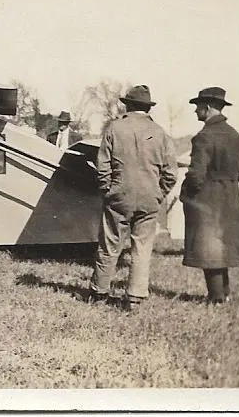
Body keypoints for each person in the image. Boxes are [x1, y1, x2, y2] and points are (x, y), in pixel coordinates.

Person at [88, 85, 177, 311]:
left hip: (119, 195)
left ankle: (99, 292)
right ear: (147, 108)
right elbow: (170, 174)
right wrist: (159, 194)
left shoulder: (114, 128)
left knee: (109, 244)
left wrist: (107, 189)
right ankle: (135, 297)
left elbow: (103, 166)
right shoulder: (160, 133)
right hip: (150, 198)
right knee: (142, 247)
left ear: (127, 105)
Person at [180, 87, 239, 304]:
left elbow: (197, 174)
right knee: (222, 247)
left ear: (207, 108)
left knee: (209, 249)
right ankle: (224, 294)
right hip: (230, 197)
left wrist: (187, 193)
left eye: (197, 106)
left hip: (208, 199)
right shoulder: (235, 135)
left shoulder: (203, 137)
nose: (195, 111)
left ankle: (216, 298)